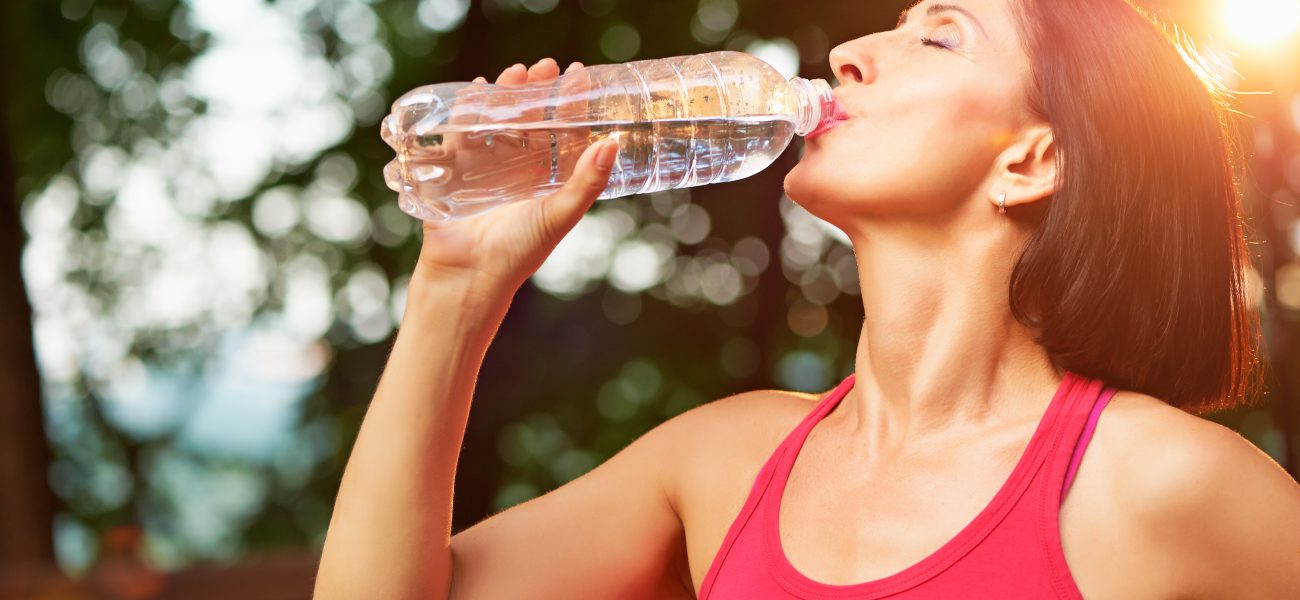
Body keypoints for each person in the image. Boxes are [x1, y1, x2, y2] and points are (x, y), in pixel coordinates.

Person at [315, 0, 1300, 597]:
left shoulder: (1162, 486)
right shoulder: (727, 462)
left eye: (941, 38)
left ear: (1031, 159)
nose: (852, 53)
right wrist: (455, 289)